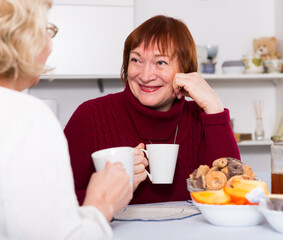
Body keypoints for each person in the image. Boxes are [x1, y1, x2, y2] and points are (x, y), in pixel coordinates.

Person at [64, 15, 240, 205]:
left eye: (160, 62)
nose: (146, 76)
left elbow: (233, 196)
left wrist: (214, 108)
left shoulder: (201, 119)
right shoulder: (90, 116)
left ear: (185, 71)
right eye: (136, 60)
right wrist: (111, 192)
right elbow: (54, 203)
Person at [0, 0, 132, 239]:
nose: (50, 45)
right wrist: (101, 205)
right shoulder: (27, 117)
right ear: (22, 38)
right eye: (46, 30)